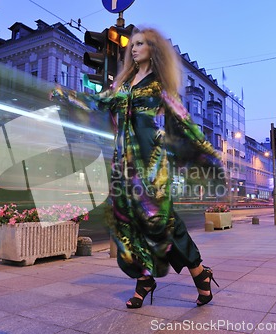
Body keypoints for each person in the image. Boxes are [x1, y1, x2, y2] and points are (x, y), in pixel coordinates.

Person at [51, 26, 225, 309]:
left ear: (152, 49)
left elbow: (182, 122)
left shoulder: (160, 86)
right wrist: (65, 94)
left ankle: (199, 272)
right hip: (123, 164)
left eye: (140, 44)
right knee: (127, 223)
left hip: (153, 164)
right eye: (132, 45)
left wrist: (207, 155)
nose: (133, 49)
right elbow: (97, 101)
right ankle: (144, 279)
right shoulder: (123, 85)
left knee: (162, 223)